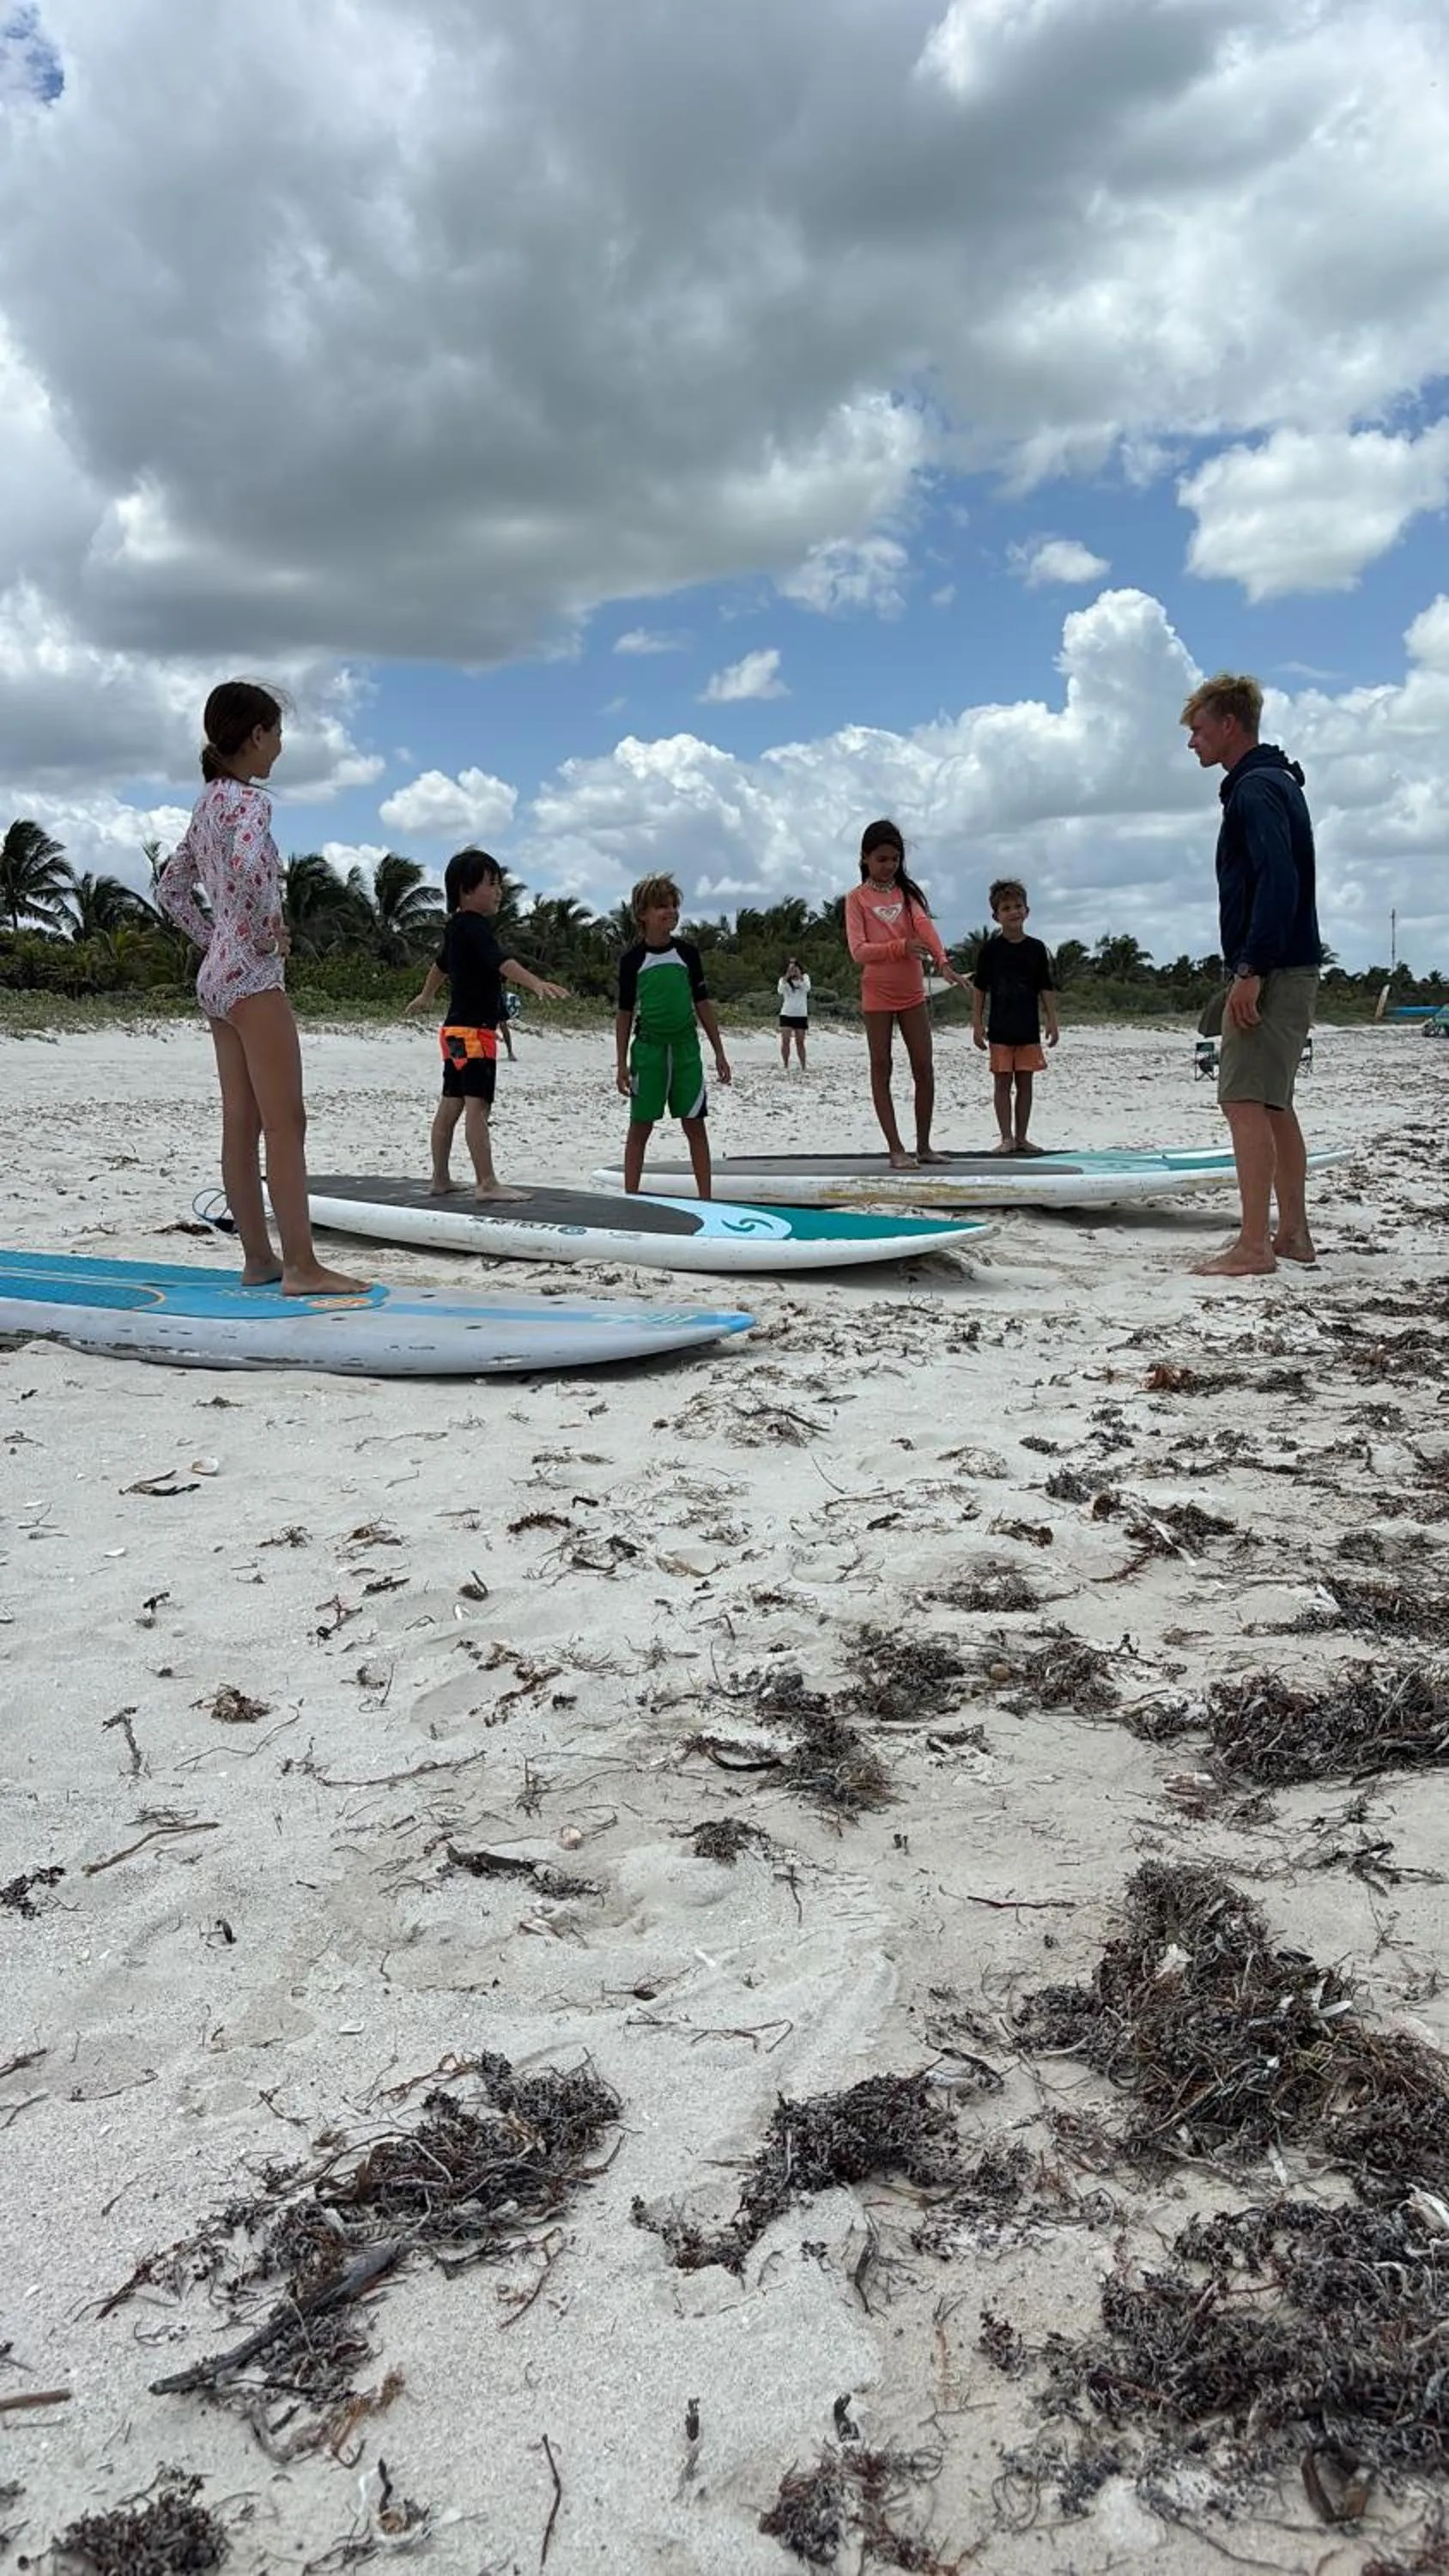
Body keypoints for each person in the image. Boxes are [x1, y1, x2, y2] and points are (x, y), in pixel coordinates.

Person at [156, 682, 363, 1297]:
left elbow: (170, 891)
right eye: (276, 733)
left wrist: (214, 937)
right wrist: (262, 935)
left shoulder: (203, 806)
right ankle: (300, 1264)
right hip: (250, 976)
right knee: (285, 1123)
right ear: (255, 735)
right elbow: (248, 868)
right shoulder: (250, 805)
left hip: (216, 977)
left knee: (239, 1123)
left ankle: (258, 1259)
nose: (280, 746)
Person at [1181, 671, 1322, 1276]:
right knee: (1272, 1104)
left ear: (1229, 725)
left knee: (1243, 1100)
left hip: (1274, 968)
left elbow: (1278, 882)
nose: (1193, 742)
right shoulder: (1272, 781)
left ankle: (1254, 1245)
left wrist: (1251, 970)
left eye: (1199, 729)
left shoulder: (1256, 790)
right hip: (1290, 964)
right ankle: (1291, 1235)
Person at [403, 848, 567, 1196]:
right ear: (465, 889)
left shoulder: (455, 927)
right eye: (491, 884)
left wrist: (427, 995)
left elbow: (441, 965)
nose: (499, 891)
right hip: (477, 1031)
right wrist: (534, 982)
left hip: (453, 1031)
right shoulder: (476, 927)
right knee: (478, 1106)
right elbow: (500, 961)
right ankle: (486, 1182)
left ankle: (440, 1179)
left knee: (452, 1102)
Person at [845, 819, 969, 1168]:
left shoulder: (907, 894)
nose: (889, 866)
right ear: (866, 858)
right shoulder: (856, 900)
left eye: (895, 859)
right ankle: (895, 1148)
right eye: (882, 859)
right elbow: (859, 950)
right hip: (877, 992)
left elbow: (925, 929)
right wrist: (900, 947)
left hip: (912, 991)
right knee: (881, 1066)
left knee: (923, 1067)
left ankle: (924, 1146)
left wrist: (943, 962)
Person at [616, 873, 731, 1196]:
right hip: (648, 1053)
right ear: (642, 914)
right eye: (661, 907)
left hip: (685, 1052)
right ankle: (632, 1198)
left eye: (673, 905)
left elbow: (702, 1003)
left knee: (695, 1125)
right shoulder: (632, 960)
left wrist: (720, 1052)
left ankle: (706, 1198)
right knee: (641, 1127)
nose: (670, 912)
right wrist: (621, 1063)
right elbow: (624, 1013)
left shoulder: (687, 954)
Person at [971, 879, 1059, 1153]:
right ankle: (1006, 1137)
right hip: (999, 1028)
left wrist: (1052, 1020)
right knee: (1002, 1084)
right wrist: (976, 1023)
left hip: (1028, 1027)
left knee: (1025, 1084)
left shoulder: (1036, 948)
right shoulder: (990, 950)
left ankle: (1022, 1137)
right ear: (996, 915)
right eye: (1006, 908)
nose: (1013, 912)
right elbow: (980, 988)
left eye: (1018, 906)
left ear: (1027, 911)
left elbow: (1045, 986)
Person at [777, 957, 810, 1069]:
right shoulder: (783, 980)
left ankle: (803, 1065)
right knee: (785, 1040)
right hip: (786, 1013)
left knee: (800, 1042)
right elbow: (780, 991)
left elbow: (807, 988)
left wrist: (800, 976)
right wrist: (787, 976)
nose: (793, 970)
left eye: (795, 967)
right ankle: (785, 1064)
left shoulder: (805, 978)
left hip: (801, 1014)